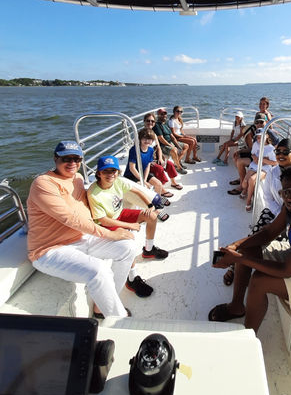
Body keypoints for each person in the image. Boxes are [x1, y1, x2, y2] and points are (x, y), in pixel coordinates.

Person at [209, 165, 291, 333]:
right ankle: (236, 307)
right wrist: (236, 246)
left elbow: (286, 270)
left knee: (260, 281)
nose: (289, 197)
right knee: (247, 250)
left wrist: (237, 259)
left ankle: (248, 336)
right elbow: (269, 232)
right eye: (285, 192)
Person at [26, 140, 135, 319]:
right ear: (55, 159)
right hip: (50, 249)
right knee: (99, 271)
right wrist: (109, 233)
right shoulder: (43, 183)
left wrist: (113, 222)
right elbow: (69, 218)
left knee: (128, 248)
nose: (72, 163)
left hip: (81, 238)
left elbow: (85, 208)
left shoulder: (77, 178)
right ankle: (118, 319)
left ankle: (103, 304)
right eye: (66, 158)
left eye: (77, 159)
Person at [87, 155, 169, 300]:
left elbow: (137, 191)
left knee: (152, 216)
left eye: (114, 171)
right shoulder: (94, 193)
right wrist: (129, 226)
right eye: (106, 171)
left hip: (120, 213)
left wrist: (150, 206)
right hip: (107, 224)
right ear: (98, 173)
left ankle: (148, 249)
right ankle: (132, 279)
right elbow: (103, 220)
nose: (110, 174)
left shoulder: (118, 181)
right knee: (129, 241)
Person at [223, 139, 291, 286]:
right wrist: (279, 216)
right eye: (278, 152)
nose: (280, 155)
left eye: (285, 152)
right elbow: (267, 197)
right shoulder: (273, 171)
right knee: (254, 238)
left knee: (272, 245)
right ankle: (235, 266)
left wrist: (285, 219)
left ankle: (253, 266)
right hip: (273, 212)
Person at [228, 116, 266, 195]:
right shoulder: (257, 132)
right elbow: (252, 149)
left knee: (240, 161)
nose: (259, 124)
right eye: (257, 122)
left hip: (261, 159)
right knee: (237, 156)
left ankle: (242, 186)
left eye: (261, 122)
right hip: (255, 155)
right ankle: (241, 178)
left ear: (266, 122)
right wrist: (240, 151)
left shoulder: (268, 134)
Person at [240, 129, 277, 211]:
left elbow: (275, 163)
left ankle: (248, 200)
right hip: (255, 165)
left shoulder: (271, 149)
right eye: (257, 137)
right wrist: (255, 158)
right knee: (244, 182)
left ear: (266, 136)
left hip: (265, 168)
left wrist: (263, 160)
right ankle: (245, 189)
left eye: (261, 137)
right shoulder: (256, 144)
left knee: (252, 179)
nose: (259, 139)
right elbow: (252, 154)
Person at [153, 108, 188, 175]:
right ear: (158, 115)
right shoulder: (157, 125)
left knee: (186, 146)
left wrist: (177, 145)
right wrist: (171, 146)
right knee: (174, 150)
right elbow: (161, 139)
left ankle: (177, 162)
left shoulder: (165, 123)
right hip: (163, 145)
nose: (164, 115)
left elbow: (172, 136)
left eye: (165, 114)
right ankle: (178, 167)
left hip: (170, 142)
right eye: (161, 114)